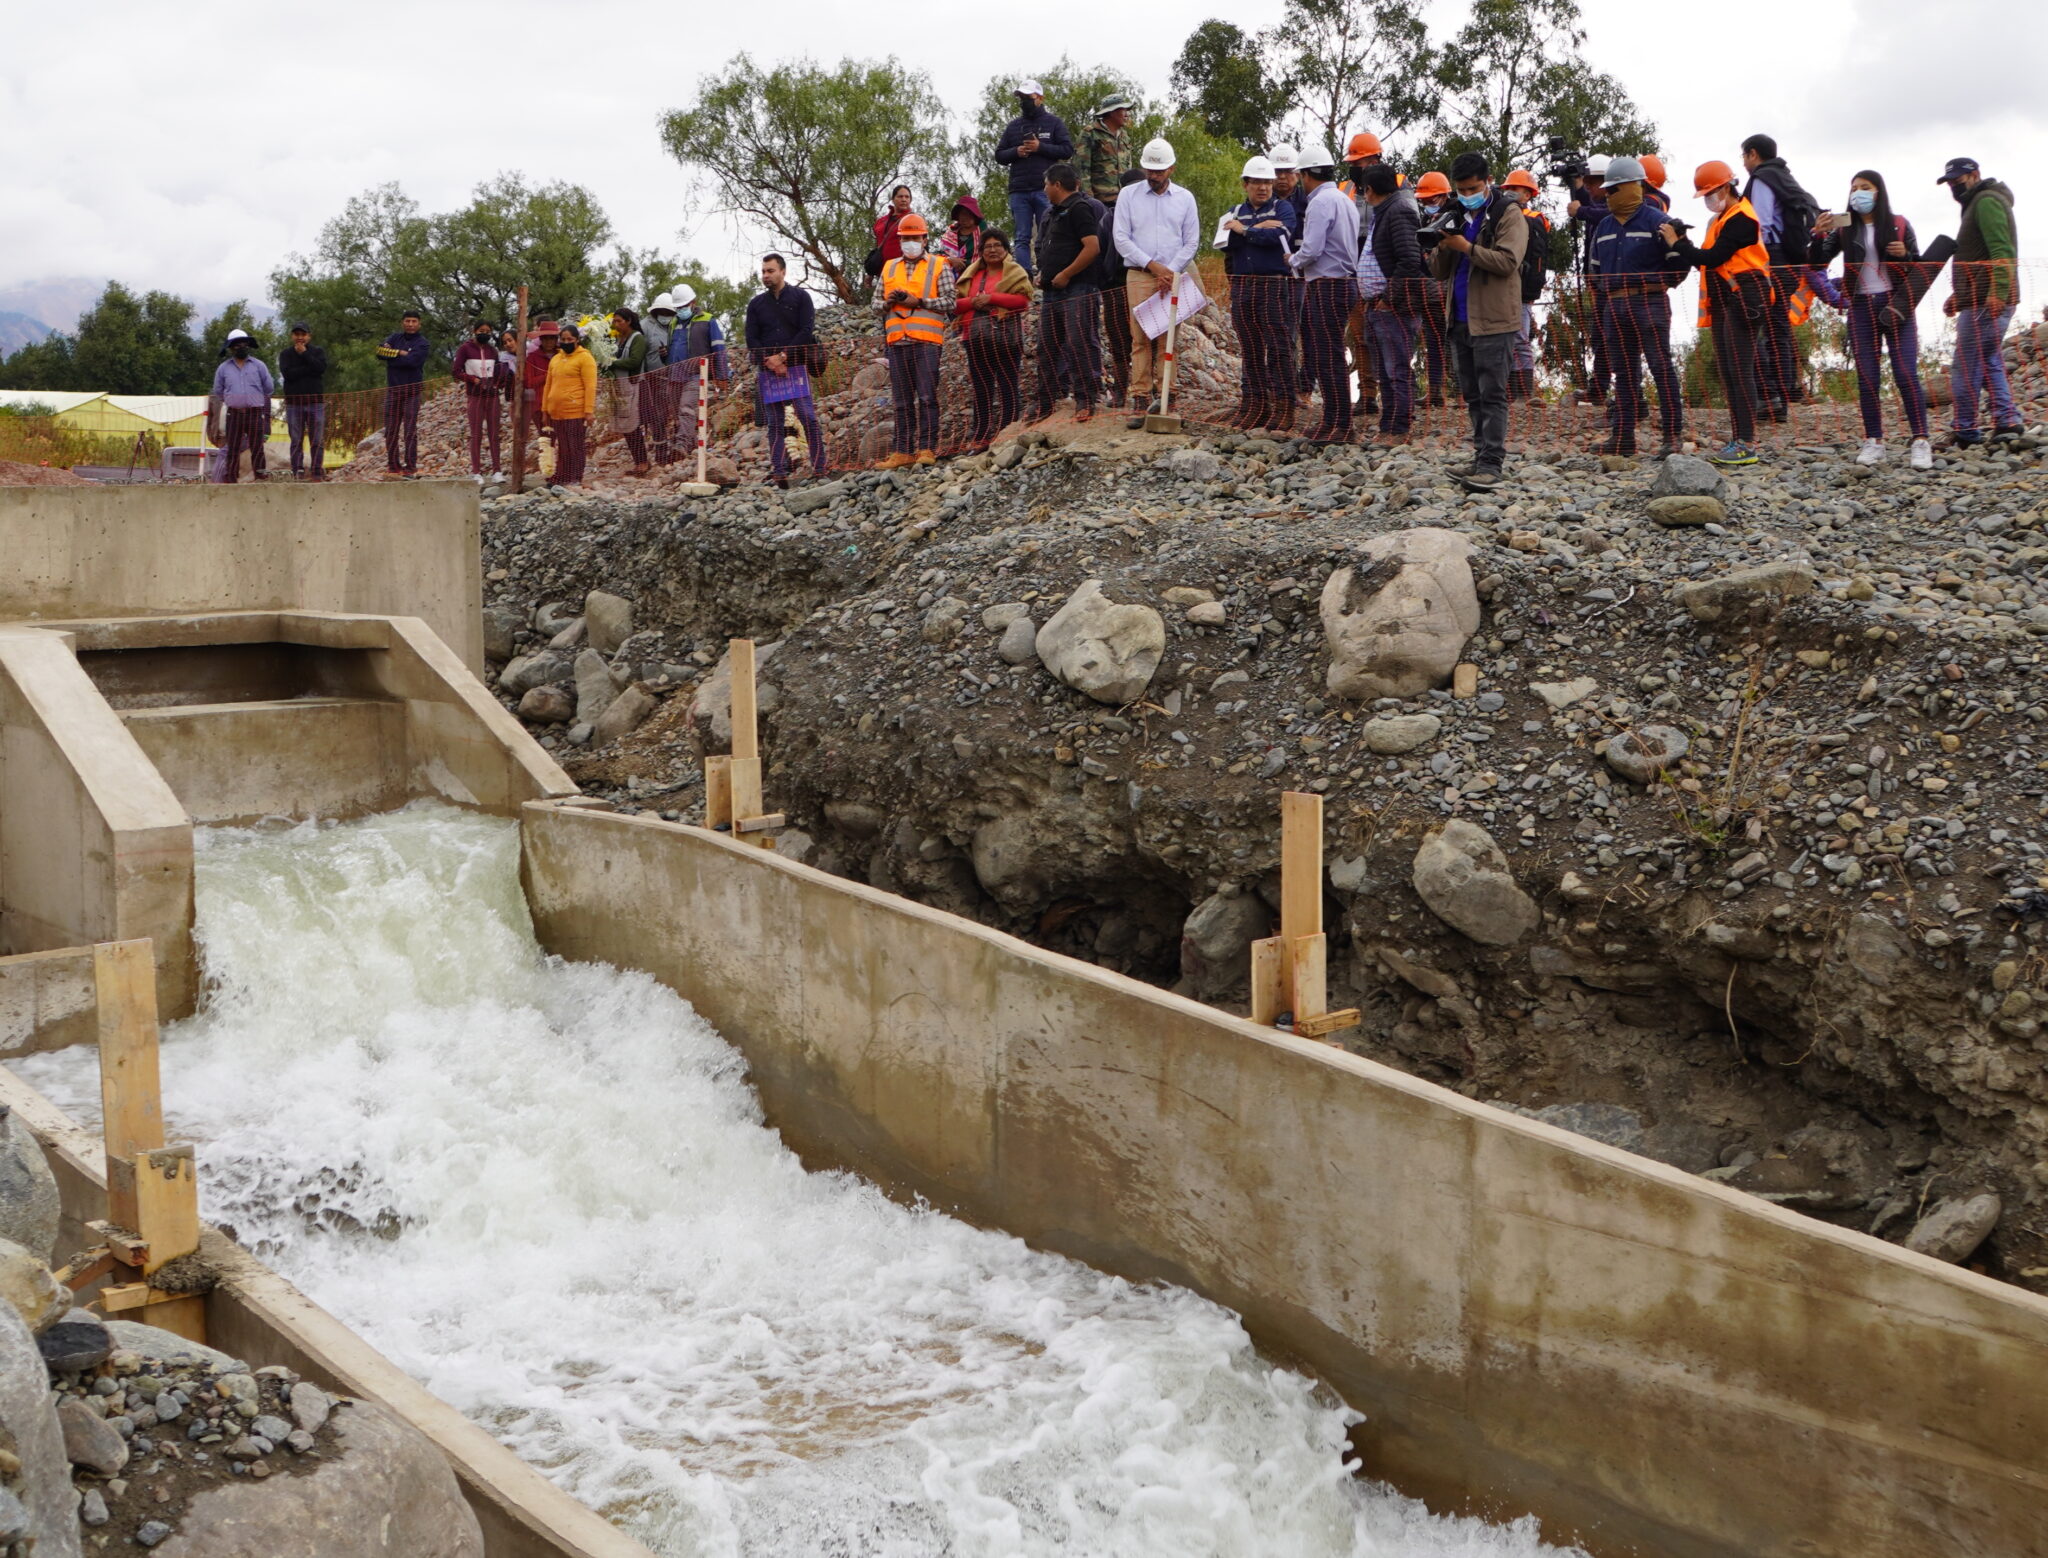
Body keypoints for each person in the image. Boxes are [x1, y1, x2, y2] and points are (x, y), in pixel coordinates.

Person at [1809, 171, 1932, 469]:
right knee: (1867, 377)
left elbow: (1920, 265)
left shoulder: (1899, 223)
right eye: (1854, 189)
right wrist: (1817, 234)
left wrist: (1905, 255)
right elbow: (1815, 264)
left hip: (1896, 303)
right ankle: (1874, 441)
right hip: (1860, 305)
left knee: (1905, 373)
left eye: (1865, 188)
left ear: (1879, 192)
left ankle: (1921, 440)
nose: (1858, 194)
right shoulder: (1843, 228)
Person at [1662, 160, 1772, 466]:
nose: (1709, 198)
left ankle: (1746, 443)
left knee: (1740, 371)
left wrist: (1677, 244)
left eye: (1711, 191)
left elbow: (1712, 257)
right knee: (1730, 372)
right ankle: (1740, 440)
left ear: (1727, 187)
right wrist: (1684, 243)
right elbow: (1707, 260)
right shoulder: (1724, 219)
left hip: (1745, 300)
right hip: (1728, 301)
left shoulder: (1742, 218)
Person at [1429, 151, 1529, 487]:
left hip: (1494, 320)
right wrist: (1442, 245)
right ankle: (1479, 457)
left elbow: (1507, 261)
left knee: (1492, 393)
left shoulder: (1508, 213)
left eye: (1472, 188)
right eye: (1461, 189)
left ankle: (1492, 463)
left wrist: (1464, 247)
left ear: (1488, 182)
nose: (1466, 195)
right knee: (1472, 394)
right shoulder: (1455, 213)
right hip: (1459, 319)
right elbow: (1437, 271)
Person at [1586, 156, 1686, 458]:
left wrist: (1659, 285)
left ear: (1636, 186)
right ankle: (1623, 437)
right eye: (1609, 189)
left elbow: (1680, 267)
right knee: (1624, 373)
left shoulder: (1659, 221)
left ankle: (1672, 436)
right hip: (1614, 305)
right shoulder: (1602, 226)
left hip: (1650, 302)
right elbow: (1594, 271)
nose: (1611, 194)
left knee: (1660, 366)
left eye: (1617, 188)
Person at [1112, 138, 1201, 427]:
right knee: (1139, 339)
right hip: (1140, 273)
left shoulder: (1185, 199)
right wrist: (1153, 266)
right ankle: (1139, 399)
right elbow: (1121, 237)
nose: (1154, 176)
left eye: (1159, 171)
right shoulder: (1128, 195)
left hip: (1171, 276)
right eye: (1150, 170)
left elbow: (1191, 241)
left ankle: (1166, 399)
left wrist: (1170, 271)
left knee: (1168, 338)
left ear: (1171, 169)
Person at [1938, 157, 2022, 447]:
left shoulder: (1985, 202)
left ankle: (1965, 429)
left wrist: (1998, 291)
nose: (1953, 185)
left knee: (1965, 364)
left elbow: (2001, 248)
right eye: (1949, 181)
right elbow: (1979, 254)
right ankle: (2007, 421)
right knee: (1988, 360)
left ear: (1975, 175)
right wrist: (1958, 297)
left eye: (1957, 179)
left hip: (1987, 302)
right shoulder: (1977, 203)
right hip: (1977, 299)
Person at [1741, 134, 1821, 418]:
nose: (1744, 163)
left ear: (1753, 154)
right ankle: (1784, 393)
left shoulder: (1763, 179)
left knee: (1759, 328)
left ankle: (1771, 396)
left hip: (1771, 258)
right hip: (1793, 260)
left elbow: (1759, 224)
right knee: (1779, 327)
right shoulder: (1787, 178)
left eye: (1744, 156)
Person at [1288, 145, 1361, 443]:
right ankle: (1333, 421)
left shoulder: (1319, 203)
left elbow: (1313, 248)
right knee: (1328, 355)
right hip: (1344, 283)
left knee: (1326, 357)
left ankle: (1340, 424)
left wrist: (1293, 260)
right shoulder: (1345, 200)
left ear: (1306, 174)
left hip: (1326, 285)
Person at [1218, 154, 1296, 429]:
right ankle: (1255, 405)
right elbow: (1224, 243)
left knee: (1278, 348)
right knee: (1250, 348)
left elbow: (1281, 236)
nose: (1263, 187)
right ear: (1245, 184)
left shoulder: (1283, 208)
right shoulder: (1234, 211)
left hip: (1273, 285)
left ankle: (1285, 407)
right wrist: (1255, 230)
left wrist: (1245, 231)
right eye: (1257, 182)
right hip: (1243, 284)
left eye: (1267, 182)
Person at [875, 213, 955, 467]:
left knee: (927, 397)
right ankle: (902, 451)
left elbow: (950, 301)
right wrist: (888, 303)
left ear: (924, 238)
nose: (910, 242)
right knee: (901, 401)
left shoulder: (939, 265)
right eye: (905, 238)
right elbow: (875, 304)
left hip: (927, 342)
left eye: (914, 237)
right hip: (898, 341)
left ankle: (927, 449)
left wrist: (919, 301)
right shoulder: (889, 267)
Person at [745, 254, 828, 487]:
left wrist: (783, 357)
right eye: (763, 271)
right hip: (768, 370)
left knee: (808, 417)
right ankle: (779, 471)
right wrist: (770, 361)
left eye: (770, 271)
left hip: (796, 366)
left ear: (783, 271)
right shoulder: (756, 304)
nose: (765, 276)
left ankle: (820, 467)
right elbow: (751, 337)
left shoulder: (801, 297)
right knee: (774, 422)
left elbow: (806, 329)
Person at [1030, 164, 1103, 423]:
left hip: (1078, 289)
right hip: (1052, 292)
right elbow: (1049, 248)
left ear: (1057, 185)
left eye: (1046, 184)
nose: (1044, 189)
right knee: (1046, 347)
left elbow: (1092, 247)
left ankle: (1085, 399)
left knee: (1078, 343)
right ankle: (1046, 401)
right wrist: (1044, 274)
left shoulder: (1080, 209)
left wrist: (1067, 274)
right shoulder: (1051, 213)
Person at [1360, 164, 1425, 444]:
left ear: (1369, 190)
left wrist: (1389, 299)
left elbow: (1410, 260)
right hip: (1378, 305)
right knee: (1386, 371)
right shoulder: (1387, 210)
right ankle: (1388, 426)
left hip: (1392, 308)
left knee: (1396, 369)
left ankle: (1399, 428)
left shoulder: (1398, 212)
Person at [957, 229, 1034, 450]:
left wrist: (991, 298)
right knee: (981, 388)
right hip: (975, 337)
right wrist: (975, 302)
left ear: (1006, 248)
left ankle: (1008, 433)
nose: (992, 250)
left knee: (1008, 384)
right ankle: (980, 436)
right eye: (987, 246)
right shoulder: (971, 275)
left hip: (1006, 338)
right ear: (980, 251)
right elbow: (956, 304)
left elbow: (1022, 301)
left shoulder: (1015, 272)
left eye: (997, 245)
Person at [994, 81, 1073, 279]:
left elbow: (1067, 150)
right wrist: (1016, 151)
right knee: (1021, 236)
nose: (1024, 101)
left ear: (1040, 98)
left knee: (1049, 233)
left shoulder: (1054, 123)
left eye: (1028, 97)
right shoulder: (1013, 126)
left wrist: (1041, 147)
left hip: (1046, 189)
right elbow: (999, 155)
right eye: (1021, 97)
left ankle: (1046, 271)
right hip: (1019, 189)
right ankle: (1024, 275)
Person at [1342, 132, 1388, 417]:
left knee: (1389, 336)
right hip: (1352, 267)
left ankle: (1395, 394)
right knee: (1360, 337)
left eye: (1362, 161)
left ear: (1376, 159)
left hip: (1384, 268)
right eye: (1354, 161)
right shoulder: (1344, 187)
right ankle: (1367, 395)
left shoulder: (1397, 184)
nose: (1357, 166)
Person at [666, 284, 730, 466]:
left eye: (683, 306)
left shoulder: (708, 320)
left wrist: (722, 374)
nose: (680, 310)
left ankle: (681, 446)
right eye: (677, 307)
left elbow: (719, 348)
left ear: (693, 302)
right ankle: (693, 448)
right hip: (674, 375)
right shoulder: (673, 323)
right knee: (677, 412)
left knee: (687, 408)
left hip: (696, 374)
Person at [1566, 159, 1611, 407]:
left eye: (1594, 183)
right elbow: (1590, 203)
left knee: (1617, 339)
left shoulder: (1622, 205)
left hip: (1615, 284)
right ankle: (1599, 387)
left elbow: (1604, 213)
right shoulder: (1597, 203)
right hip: (1599, 282)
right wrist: (1576, 184)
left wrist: (1580, 211)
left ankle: (1632, 396)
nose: (1590, 188)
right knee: (1600, 337)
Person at [1501, 170, 1549, 400]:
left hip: (1522, 288)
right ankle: (1511, 392)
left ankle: (1525, 394)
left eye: (1514, 189)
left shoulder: (1535, 218)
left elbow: (1536, 256)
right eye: (1507, 189)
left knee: (1519, 338)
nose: (1509, 193)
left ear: (1528, 194)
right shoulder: (1503, 214)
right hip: (1502, 285)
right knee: (1504, 339)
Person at [210, 329, 273, 483]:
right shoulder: (223, 368)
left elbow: (269, 387)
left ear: (248, 345)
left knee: (257, 446)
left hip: (255, 412)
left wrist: (255, 398)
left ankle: (260, 475)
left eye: (244, 344)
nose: (241, 347)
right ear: (231, 348)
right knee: (233, 447)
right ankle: (231, 477)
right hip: (234, 413)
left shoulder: (259, 366)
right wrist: (232, 400)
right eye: (237, 345)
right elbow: (218, 390)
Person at [1413, 170, 1453, 409]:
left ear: (1444, 196)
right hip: (1428, 292)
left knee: (1456, 342)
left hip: (1450, 293)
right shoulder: (1424, 221)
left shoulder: (1455, 218)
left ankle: (1460, 392)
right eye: (1424, 200)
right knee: (1433, 343)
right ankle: (1435, 391)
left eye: (1432, 199)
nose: (1428, 203)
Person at [452, 319, 511, 476]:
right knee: (476, 433)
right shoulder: (465, 349)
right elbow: (456, 371)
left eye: (487, 331)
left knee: (494, 433)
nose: (484, 334)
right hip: (475, 395)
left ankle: (497, 470)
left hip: (492, 395)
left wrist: (500, 381)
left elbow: (498, 368)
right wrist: (472, 379)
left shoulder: (492, 350)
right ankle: (476, 471)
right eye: (481, 331)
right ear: (474, 331)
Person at [375, 311, 429, 478]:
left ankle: (410, 465)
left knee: (409, 430)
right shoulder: (394, 338)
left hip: (412, 391)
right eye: (408, 321)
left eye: (414, 321)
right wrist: (400, 353)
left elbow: (413, 361)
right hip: (393, 390)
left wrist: (393, 355)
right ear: (402, 322)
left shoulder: (423, 343)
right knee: (391, 429)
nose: (410, 324)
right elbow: (379, 352)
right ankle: (393, 464)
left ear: (419, 324)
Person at [542, 323, 598, 486]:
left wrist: (589, 411)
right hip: (556, 412)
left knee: (575, 446)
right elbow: (548, 385)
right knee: (563, 447)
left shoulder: (585, 358)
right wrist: (545, 410)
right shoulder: (556, 359)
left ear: (577, 340)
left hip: (576, 411)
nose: (566, 342)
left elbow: (590, 386)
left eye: (570, 339)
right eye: (563, 339)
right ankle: (562, 476)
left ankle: (575, 477)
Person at [604, 307, 653, 477]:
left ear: (628, 321)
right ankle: (638, 462)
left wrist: (611, 363)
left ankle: (643, 462)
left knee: (633, 426)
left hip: (633, 387)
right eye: (614, 322)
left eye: (619, 321)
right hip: (620, 388)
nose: (616, 325)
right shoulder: (618, 339)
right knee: (626, 427)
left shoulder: (637, 339)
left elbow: (634, 361)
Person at [277, 323, 327, 480]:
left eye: (303, 334)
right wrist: (308, 369)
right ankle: (297, 470)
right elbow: (288, 374)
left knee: (317, 439)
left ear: (309, 336)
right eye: (297, 334)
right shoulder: (285, 354)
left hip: (315, 403)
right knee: (296, 439)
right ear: (292, 336)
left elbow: (320, 368)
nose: (300, 337)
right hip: (294, 404)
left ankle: (317, 470)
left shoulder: (317, 352)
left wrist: (305, 355)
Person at [642, 293, 682, 463]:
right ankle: (660, 453)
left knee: (674, 414)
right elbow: (639, 354)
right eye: (662, 312)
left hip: (673, 378)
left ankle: (677, 449)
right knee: (656, 416)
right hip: (651, 379)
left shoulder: (677, 326)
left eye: (668, 313)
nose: (665, 316)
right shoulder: (644, 326)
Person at [1079, 95, 1133, 208]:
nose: (1127, 115)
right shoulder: (1090, 133)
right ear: (1112, 112)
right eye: (1123, 110)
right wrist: (1088, 200)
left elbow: (1128, 166)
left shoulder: (1124, 136)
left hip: (1123, 200)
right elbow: (1081, 168)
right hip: (1099, 201)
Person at [522, 319, 560, 450]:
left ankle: (560, 468)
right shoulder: (532, 358)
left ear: (556, 340)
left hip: (560, 403)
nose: (549, 342)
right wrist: (549, 376)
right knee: (545, 438)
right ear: (540, 339)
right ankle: (547, 468)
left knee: (561, 437)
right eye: (545, 338)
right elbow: (529, 382)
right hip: (539, 404)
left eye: (552, 338)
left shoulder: (562, 355)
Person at [938, 195, 984, 271]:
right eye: (961, 214)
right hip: (950, 277)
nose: (964, 217)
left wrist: (968, 264)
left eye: (967, 213)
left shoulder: (984, 233)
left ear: (974, 215)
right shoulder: (949, 233)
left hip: (978, 275)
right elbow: (939, 256)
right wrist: (950, 260)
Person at [874, 185, 914, 270]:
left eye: (907, 197)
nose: (904, 200)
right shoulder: (880, 222)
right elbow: (878, 245)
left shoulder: (914, 220)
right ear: (893, 199)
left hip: (905, 269)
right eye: (900, 196)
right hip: (882, 271)